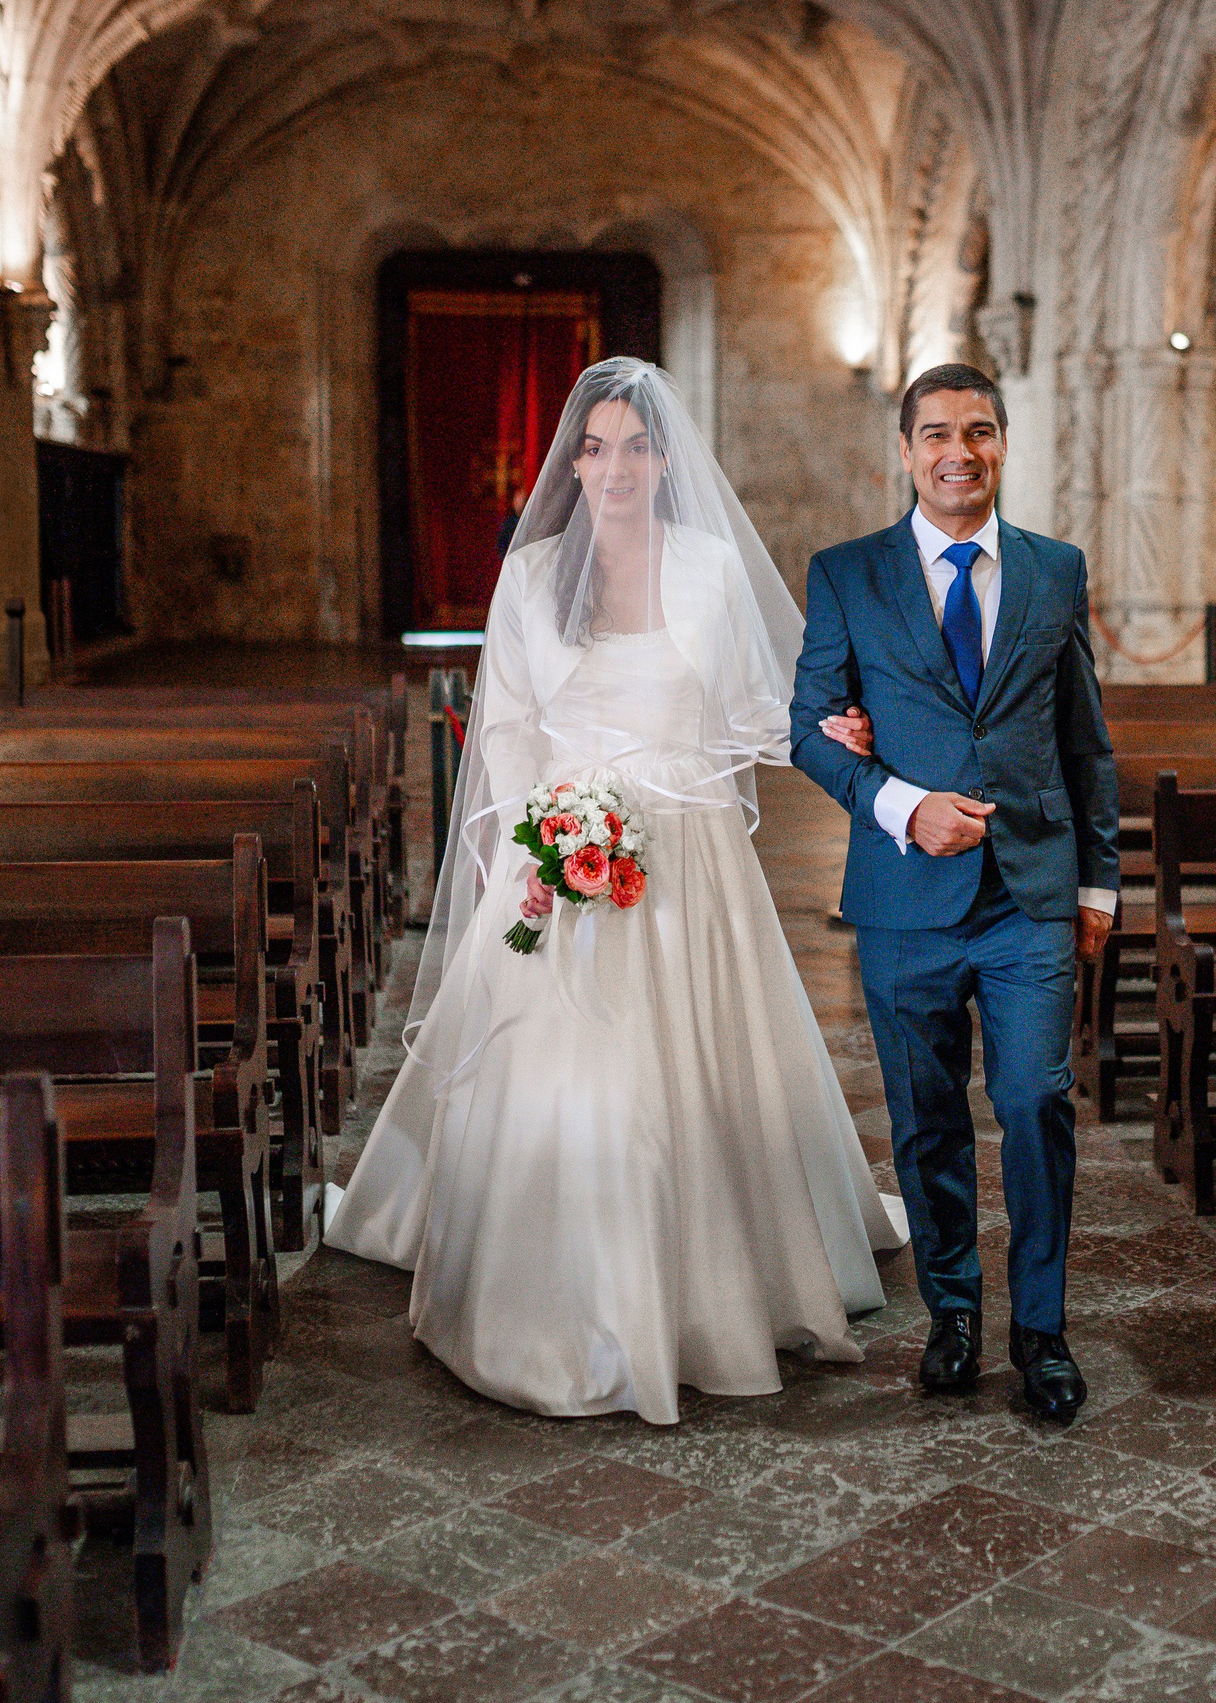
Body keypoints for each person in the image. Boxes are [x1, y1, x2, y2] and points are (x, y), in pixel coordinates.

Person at [326, 357, 905, 1425]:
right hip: (563, 851)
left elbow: (752, 703)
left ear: (664, 457)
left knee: (699, 1063)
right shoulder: (534, 573)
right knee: (572, 1081)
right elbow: (504, 721)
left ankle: (721, 1277)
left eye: (637, 445)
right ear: (574, 462)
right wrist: (536, 835)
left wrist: (826, 729)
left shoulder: (708, 569)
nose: (617, 465)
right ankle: (562, 1295)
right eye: (596, 447)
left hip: (687, 855)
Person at [791, 362, 1120, 1423]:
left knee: (1034, 1102)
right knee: (927, 1117)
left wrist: (1101, 884)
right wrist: (895, 800)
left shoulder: (1053, 569)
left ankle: (1041, 1330)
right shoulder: (847, 572)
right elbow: (807, 728)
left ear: (1002, 444)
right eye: (936, 433)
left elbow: (1084, 739)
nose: (957, 452)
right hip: (905, 893)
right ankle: (952, 1313)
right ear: (905, 450)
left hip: (1027, 890)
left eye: (978, 431)